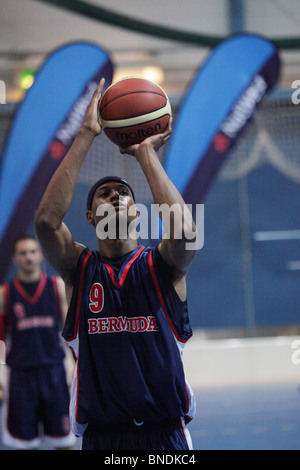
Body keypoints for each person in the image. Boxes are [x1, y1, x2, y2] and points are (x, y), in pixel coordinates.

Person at [34, 78, 198, 451]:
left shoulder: (163, 265)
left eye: (123, 193)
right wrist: (87, 133)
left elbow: (187, 231)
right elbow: (45, 222)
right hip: (102, 437)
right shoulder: (79, 268)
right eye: (105, 195)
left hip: (164, 435)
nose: (116, 197)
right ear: (91, 217)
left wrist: (145, 154)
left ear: (137, 212)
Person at [0, 236, 76, 450]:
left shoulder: (56, 287)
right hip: (20, 377)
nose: (28, 257)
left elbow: (70, 332)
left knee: (65, 441)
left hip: (54, 373)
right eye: (23, 253)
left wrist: (74, 365)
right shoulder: (5, 294)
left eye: (33, 251)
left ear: (41, 255)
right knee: (25, 443)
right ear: (15, 258)